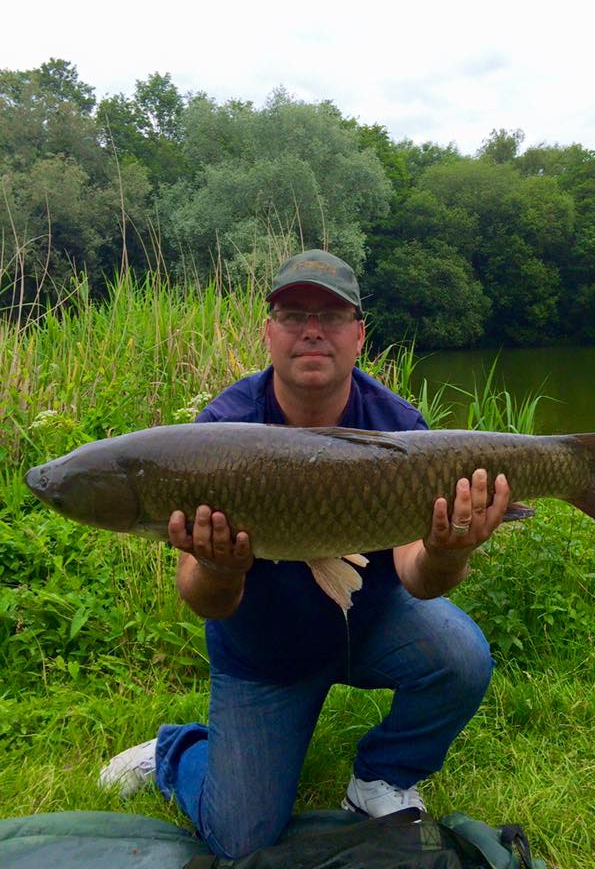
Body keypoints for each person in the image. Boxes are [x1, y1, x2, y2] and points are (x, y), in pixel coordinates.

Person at [99, 249, 510, 860]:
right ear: (269, 332)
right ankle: (176, 751)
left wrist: (449, 552)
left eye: (332, 316)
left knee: (461, 655)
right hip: (264, 655)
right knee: (238, 839)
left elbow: (419, 579)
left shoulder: (399, 428)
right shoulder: (218, 432)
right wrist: (219, 567)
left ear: (359, 335)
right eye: (294, 315)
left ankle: (381, 777)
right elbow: (203, 600)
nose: (312, 330)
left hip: (369, 625)